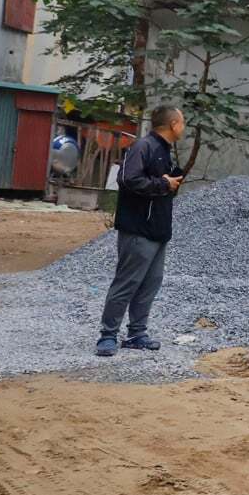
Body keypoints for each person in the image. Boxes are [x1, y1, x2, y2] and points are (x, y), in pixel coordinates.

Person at [96, 105, 185, 357]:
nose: (184, 127)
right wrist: (163, 183)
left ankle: (136, 333)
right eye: (182, 122)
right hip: (138, 228)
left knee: (150, 284)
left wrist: (168, 183)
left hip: (157, 228)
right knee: (127, 282)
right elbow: (127, 179)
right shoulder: (143, 146)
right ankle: (108, 335)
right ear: (173, 124)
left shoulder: (163, 149)